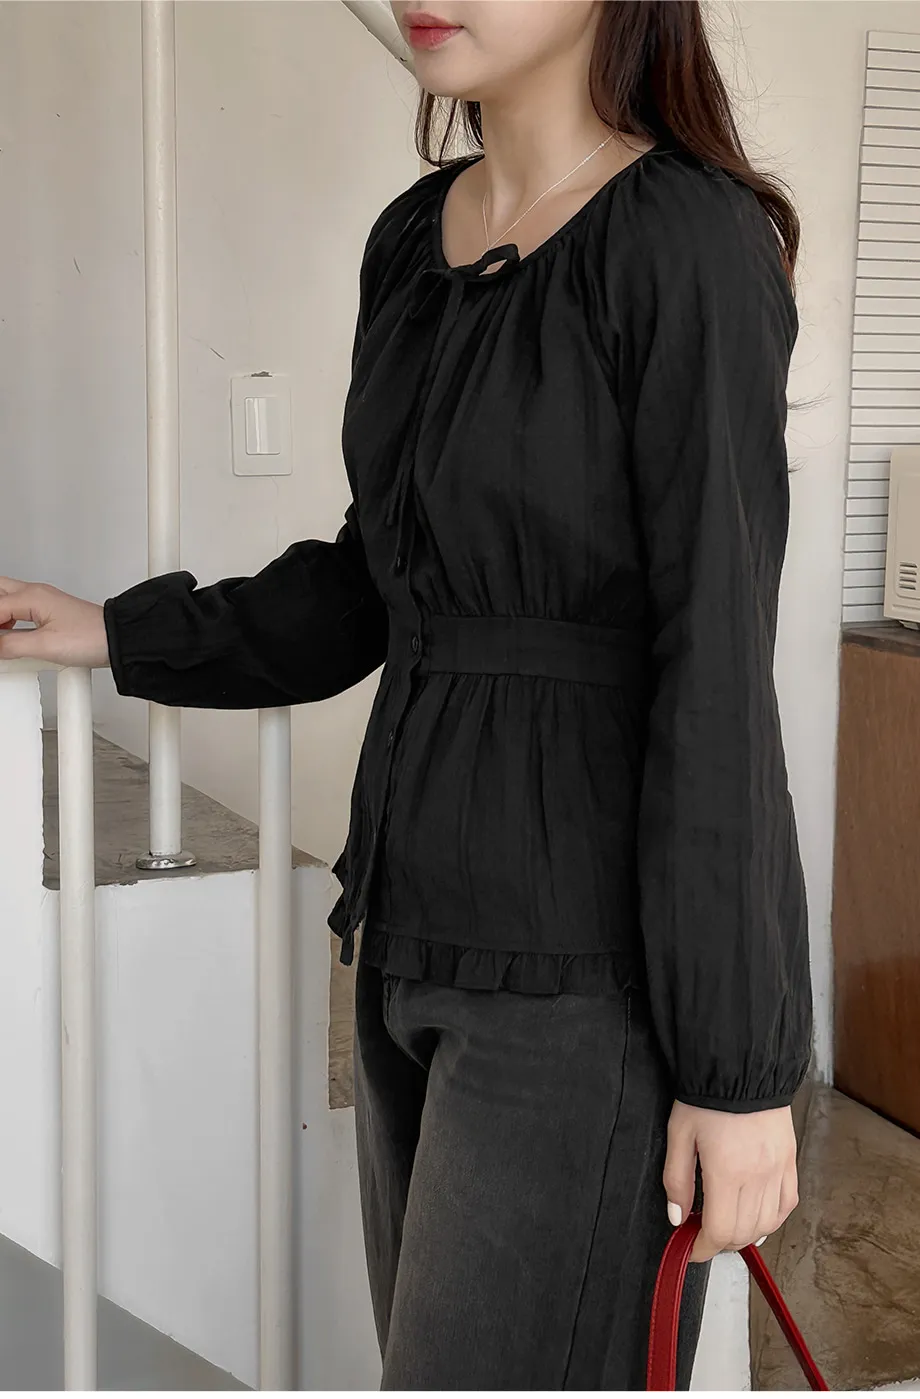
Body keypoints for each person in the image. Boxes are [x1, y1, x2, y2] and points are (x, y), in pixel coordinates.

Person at [0, 0, 813, 1388]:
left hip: (584, 979)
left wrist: (741, 1073)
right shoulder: (411, 241)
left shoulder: (689, 242)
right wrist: (122, 633)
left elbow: (721, 670)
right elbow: (376, 579)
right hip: (404, 939)